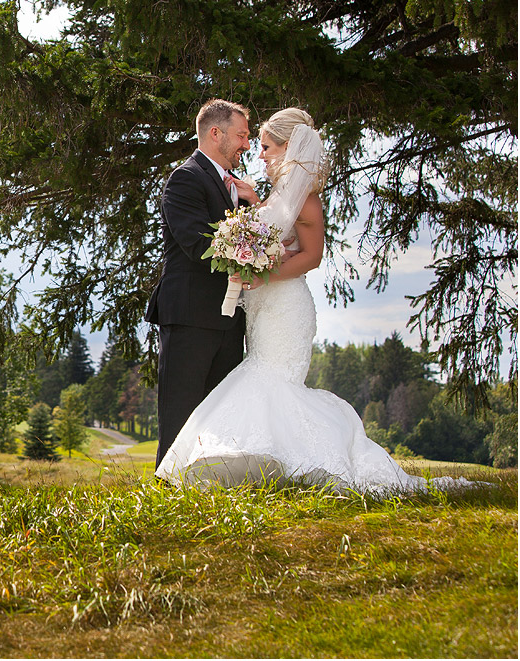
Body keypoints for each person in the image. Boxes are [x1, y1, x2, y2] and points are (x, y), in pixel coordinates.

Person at [155, 108, 479, 495]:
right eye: (244, 138)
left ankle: (261, 469)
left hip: (274, 307)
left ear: (288, 148)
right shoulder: (199, 181)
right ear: (214, 134)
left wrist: (258, 272)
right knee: (195, 402)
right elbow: (208, 241)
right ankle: (176, 483)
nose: (253, 150)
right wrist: (255, 214)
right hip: (214, 311)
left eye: (261, 143)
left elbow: (306, 253)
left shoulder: (296, 196)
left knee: (266, 388)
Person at [146, 99, 257, 470]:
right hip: (191, 316)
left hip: (228, 319)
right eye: (241, 135)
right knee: (180, 413)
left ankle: (208, 487)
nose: (246, 143)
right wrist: (252, 258)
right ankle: (164, 491)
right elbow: (197, 244)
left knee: (219, 415)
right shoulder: (186, 178)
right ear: (215, 133)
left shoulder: (235, 188)